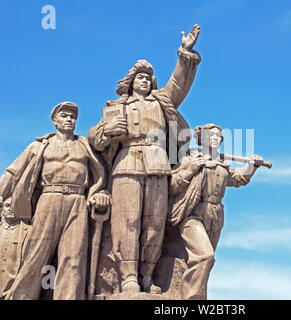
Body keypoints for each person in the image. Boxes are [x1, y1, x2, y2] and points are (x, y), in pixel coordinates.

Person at [88, 24, 201, 293]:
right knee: (126, 223)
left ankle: (148, 275)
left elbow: (178, 83)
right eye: (139, 77)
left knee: (154, 222)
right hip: (126, 165)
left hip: (158, 164)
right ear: (130, 81)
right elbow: (95, 138)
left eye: (148, 77)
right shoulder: (117, 107)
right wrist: (107, 131)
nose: (144, 80)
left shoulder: (162, 101)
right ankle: (128, 276)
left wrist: (185, 53)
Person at [0, 102, 110, 300]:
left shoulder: (84, 145)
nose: (69, 120)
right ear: (54, 121)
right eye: (65, 116)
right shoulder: (40, 146)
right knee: (35, 255)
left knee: (73, 259)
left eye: (72, 117)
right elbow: (13, 172)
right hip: (49, 198)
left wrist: (99, 193)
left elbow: (101, 174)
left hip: (77, 201)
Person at [169, 123, 264, 300]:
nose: (215, 138)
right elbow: (172, 186)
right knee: (205, 255)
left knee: (207, 262)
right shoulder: (191, 159)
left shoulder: (221, 164)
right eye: (211, 134)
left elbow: (237, 179)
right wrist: (190, 170)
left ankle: (195, 295)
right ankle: (192, 298)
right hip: (193, 215)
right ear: (201, 139)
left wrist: (252, 166)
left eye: (218, 136)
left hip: (216, 215)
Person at [0, 197, 31, 299]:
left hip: (15, 290)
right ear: (2, 209)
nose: (10, 209)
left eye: (14, 205)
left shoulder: (29, 231)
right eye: (7, 205)